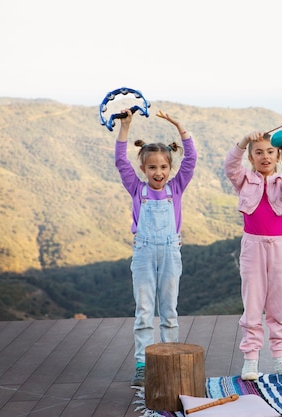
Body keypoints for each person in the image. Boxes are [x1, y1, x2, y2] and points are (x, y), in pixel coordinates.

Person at [115, 109, 197, 387]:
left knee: (169, 309)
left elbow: (191, 159)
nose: (158, 172)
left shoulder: (177, 187)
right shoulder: (138, 190)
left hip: (171, 252)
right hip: (144, 253)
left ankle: (170, 357)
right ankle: (142, 362)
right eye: (152, 167)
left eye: (163, 167)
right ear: (143, 169)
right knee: (144, 309)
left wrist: (179, 125)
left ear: (169, 169)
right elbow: (120, 161)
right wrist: (125, 127)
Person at [224, 130, 282, 380]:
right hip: (252, 246)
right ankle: (251, 359)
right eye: (258, 152)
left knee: (278, 303)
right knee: (253, 302)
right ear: (251, 157)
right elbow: (230, 165)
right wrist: (244, 139)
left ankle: (279, 357)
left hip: (279, 246)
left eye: (270, 151)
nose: (265, 156)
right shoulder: (244, 179)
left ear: (277, 154)